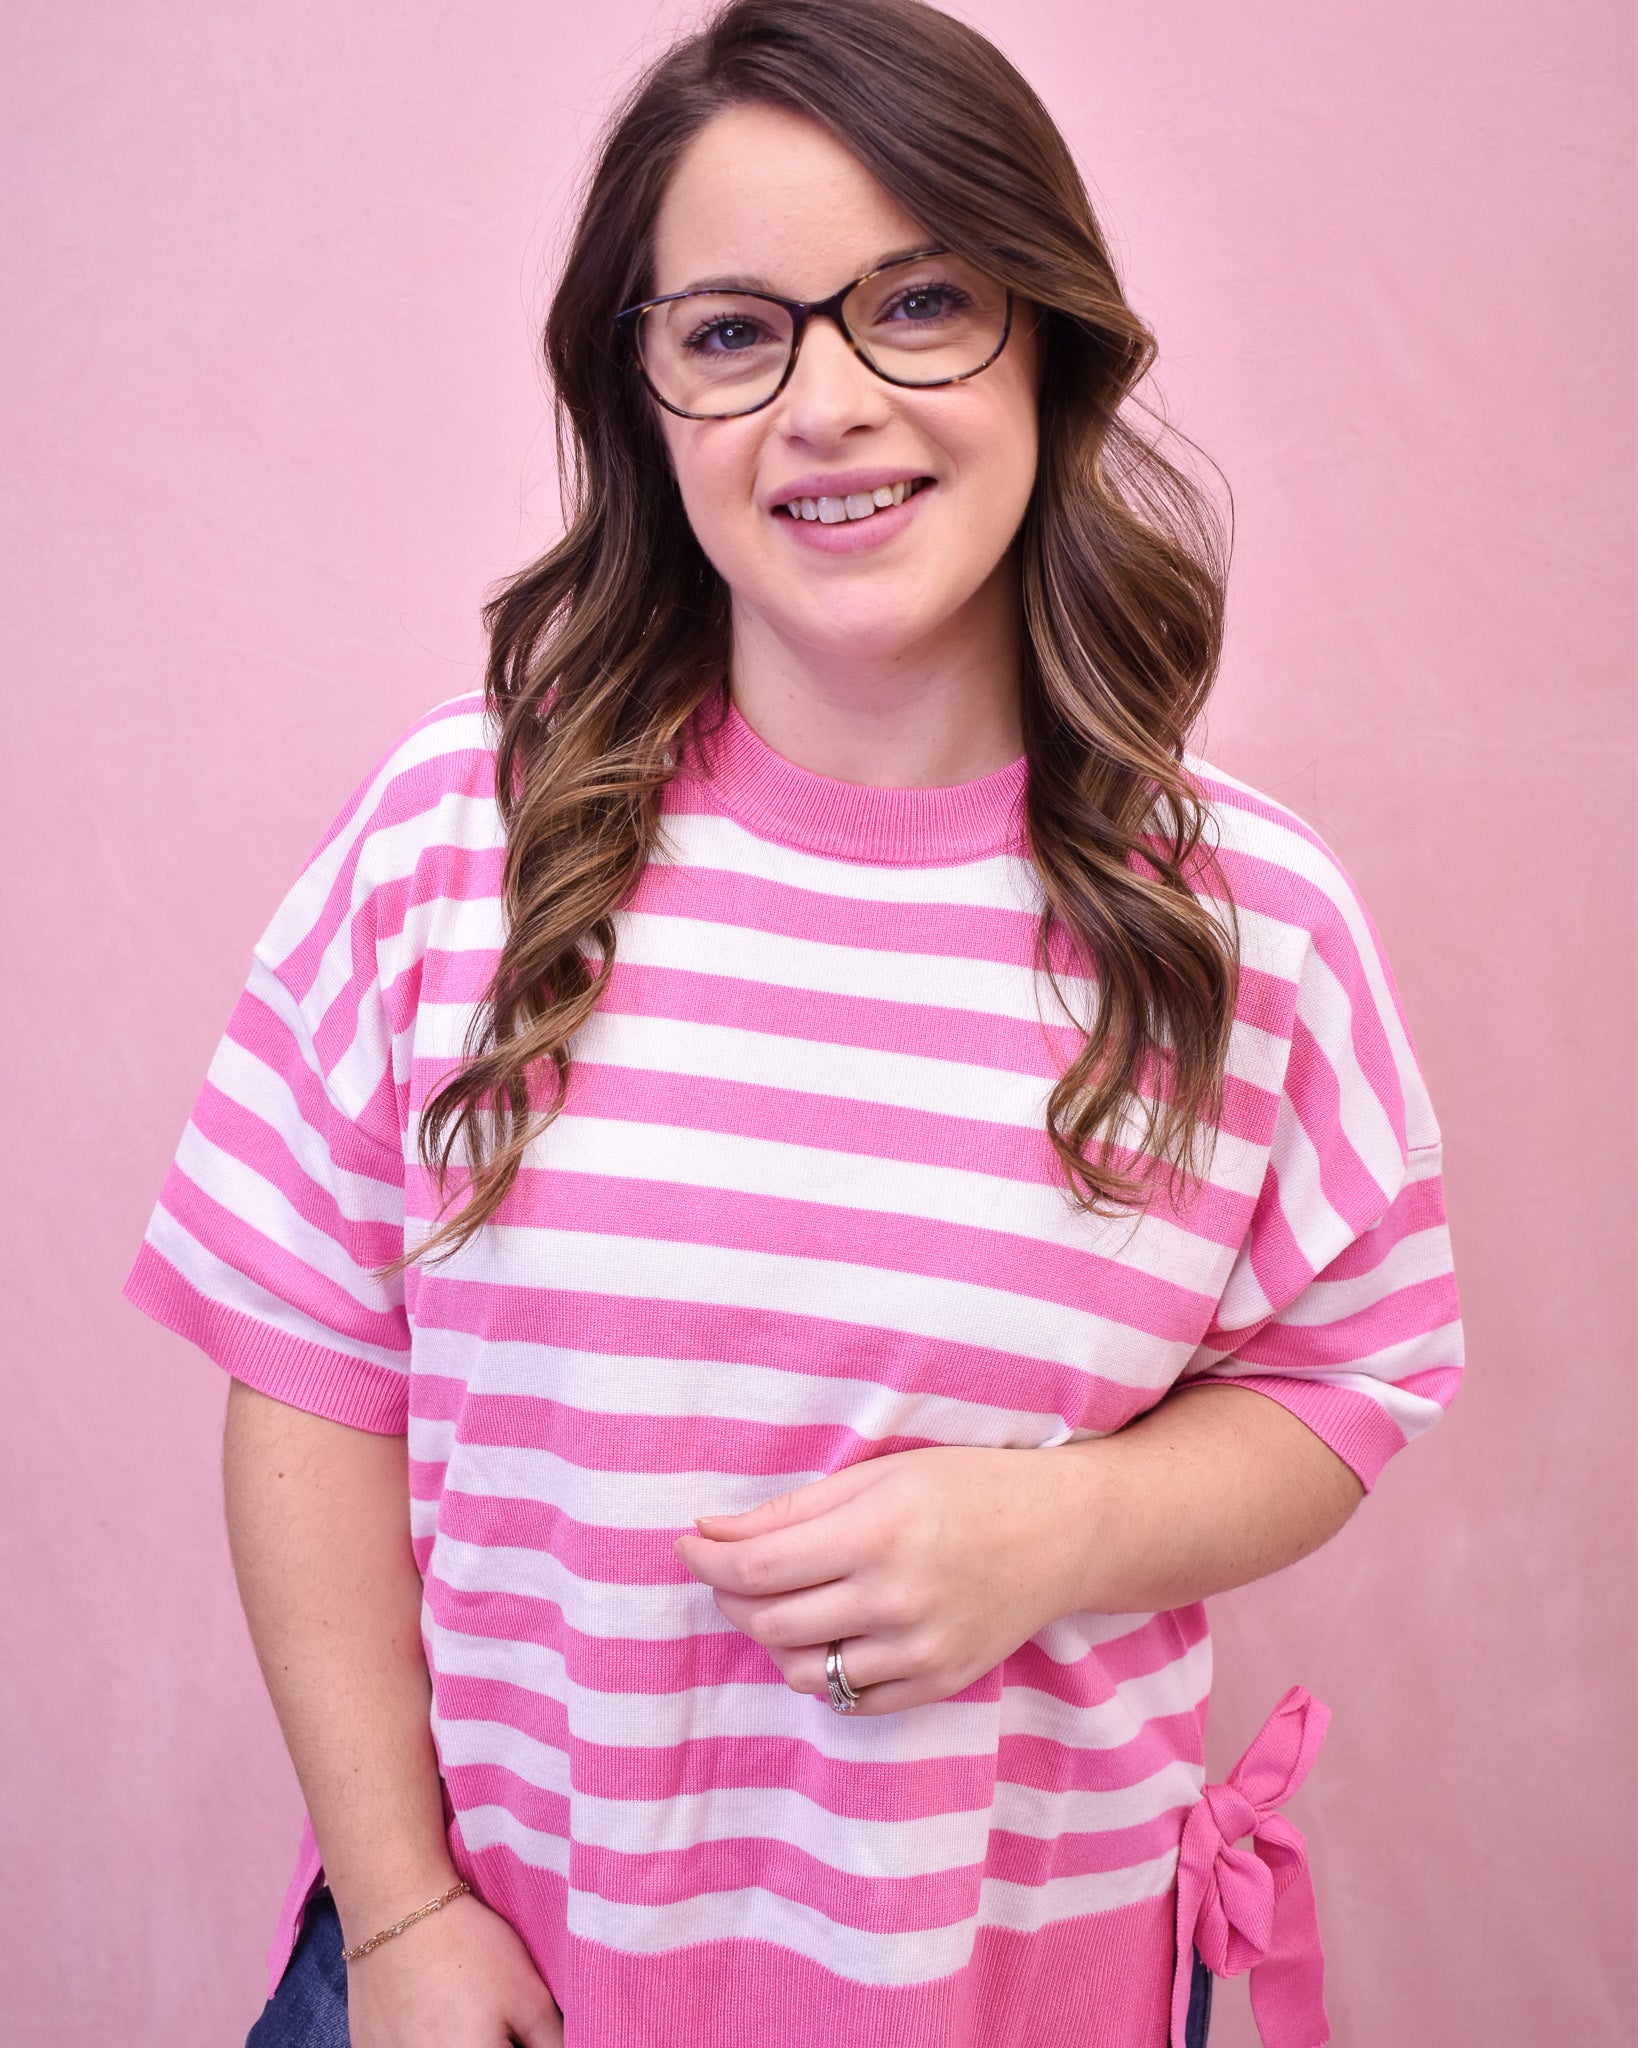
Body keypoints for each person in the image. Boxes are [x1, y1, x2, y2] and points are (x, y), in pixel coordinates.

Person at [124, 3, 1463, 2044]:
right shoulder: (448, 844)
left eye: (918, 300)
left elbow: (1349, 1370)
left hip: (1019, 1989)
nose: (828, 402)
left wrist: (1066, 1527)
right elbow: (311, 1381)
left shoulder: (1246, 917)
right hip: (504, 1984)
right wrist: (397, 1914)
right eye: (737, 333)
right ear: (644, 394)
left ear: (1048, 343)